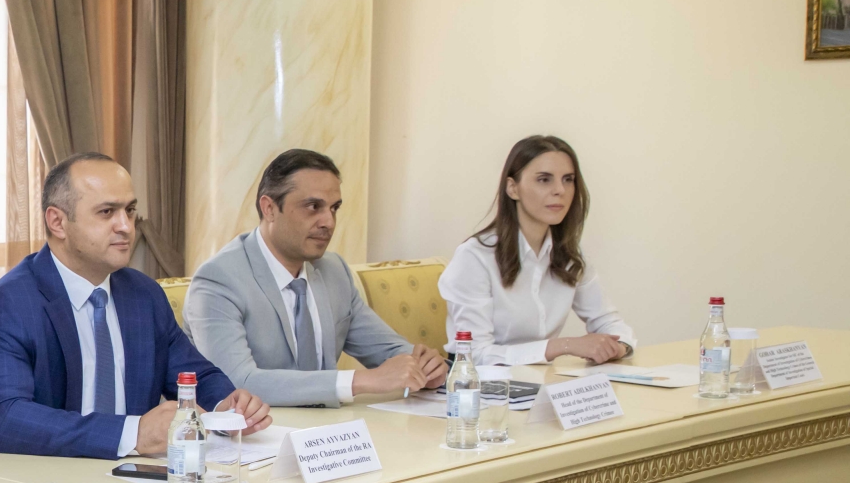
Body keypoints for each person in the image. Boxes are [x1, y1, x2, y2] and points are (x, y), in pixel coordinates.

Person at [0, 153, 269, 459]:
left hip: (123, 479)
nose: (126, 226)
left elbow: (193, 375)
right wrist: (133, 434)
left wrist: (225, 406)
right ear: (57, 222)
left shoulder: (143, 295)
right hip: (22, 482)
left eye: (130, 210)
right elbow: (5, 419)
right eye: (107, 212)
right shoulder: (7, 305)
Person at [183, 149, 446, 407]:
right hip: (255, 431)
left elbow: (387, 350)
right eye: (313, 207)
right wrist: (360, 381)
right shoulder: (219, 279)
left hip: (331, 430)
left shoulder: (334, 270)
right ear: (269, 208)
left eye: (334, 208)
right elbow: (236, 383)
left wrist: (425, 368)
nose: (328, 222)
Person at [439, 134, 636, 367]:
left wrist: (617, 347)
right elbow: (474, 355)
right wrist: (564, 346)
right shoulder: (475, 257)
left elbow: (609, 322)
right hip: (484, 385)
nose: (560, 190)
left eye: (568, 179)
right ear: (513, 188)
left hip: (542, 381)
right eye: (544, 179)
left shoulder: (570, 255)